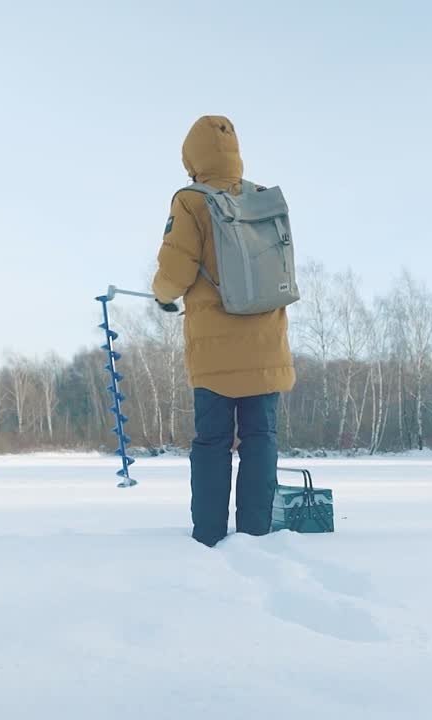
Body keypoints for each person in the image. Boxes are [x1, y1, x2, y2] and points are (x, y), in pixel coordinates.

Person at [151, 115, 296, 547]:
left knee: (212, 441)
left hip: (215, 352)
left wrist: (163, 296)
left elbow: (174, 268)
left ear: (192, 157)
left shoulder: (192, 201)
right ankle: (256, 530)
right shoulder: (262, 200)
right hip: (267, 342)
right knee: (261, 437)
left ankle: (209, 534)